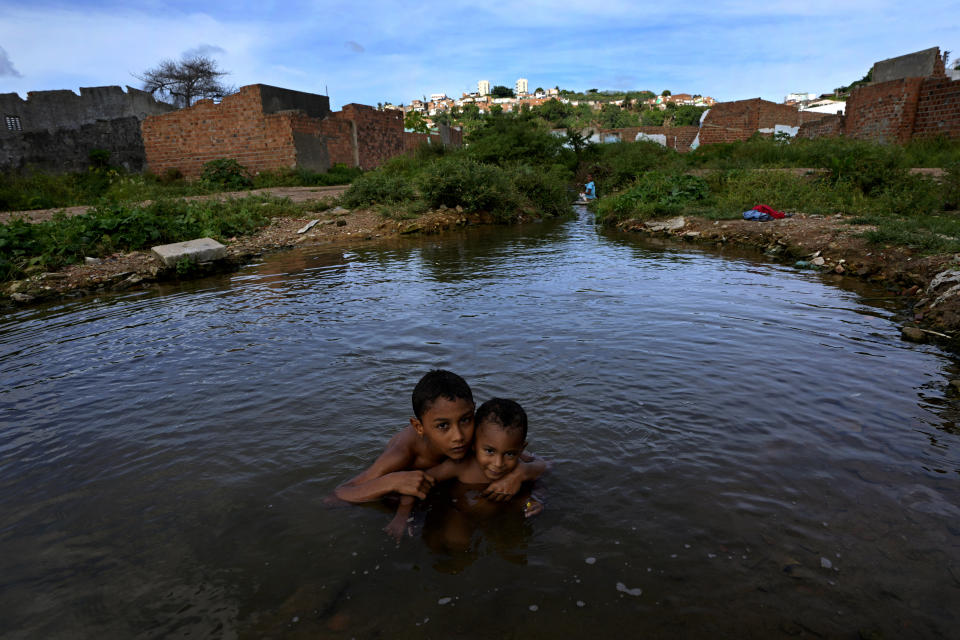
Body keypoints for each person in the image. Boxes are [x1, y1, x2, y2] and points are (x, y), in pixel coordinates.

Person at [333, 371, 545, 507]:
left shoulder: (474, 435)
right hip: (407, 495)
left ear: (473, 411)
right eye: (443, 426)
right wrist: (392, 481)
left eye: (465, 419)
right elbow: (340, 494)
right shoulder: (403, 451)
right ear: (419, 427)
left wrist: (520, 474)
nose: (459, 436)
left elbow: (543, 463)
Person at [386, 398, 546, 544]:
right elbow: (417, 482)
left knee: (515, 539)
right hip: (462, 512)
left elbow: (539, 478)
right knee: (457, 543)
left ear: (521, 449)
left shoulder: (521, 464)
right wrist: (402, 515)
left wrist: (534, 502)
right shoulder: (461, 465)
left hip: (500, 509)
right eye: (489, 451)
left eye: (510, 454)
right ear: (474, 444)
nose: (498, 463)